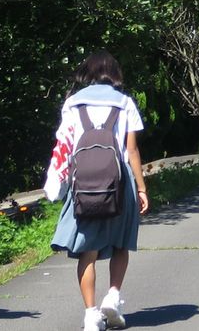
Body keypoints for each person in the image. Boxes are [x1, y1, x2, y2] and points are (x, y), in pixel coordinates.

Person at [45, 51, 150, 331]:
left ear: (88, 73)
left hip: (84, 182)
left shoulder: (72, 104)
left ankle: (91, 314)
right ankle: (113, 297)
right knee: (121, 243)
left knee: (87, 251)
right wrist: (141, 188)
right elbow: (131, 150)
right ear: (114, 73)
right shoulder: (125, 103)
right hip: (120, 180)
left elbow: (65, 145)